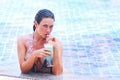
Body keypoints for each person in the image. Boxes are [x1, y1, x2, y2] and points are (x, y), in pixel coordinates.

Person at [17, 9, 63, 75]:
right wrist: (34, 55)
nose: (48, 30)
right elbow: (23, 70)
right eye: (45, 26)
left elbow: (57, 73)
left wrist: (55, 49)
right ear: (36, 24)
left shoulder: (56, 42)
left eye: (51, 27)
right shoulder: (23, 40)